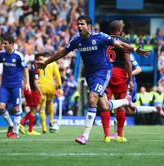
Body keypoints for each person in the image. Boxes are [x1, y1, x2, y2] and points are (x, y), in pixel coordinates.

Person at [37, 15, 150, 145]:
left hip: (103, 72)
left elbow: (119, 44)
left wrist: (135, 49)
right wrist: (46, 62)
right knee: (104, 106)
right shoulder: (76, 40)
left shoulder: (100, 37)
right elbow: (63, 52)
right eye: (78, 24)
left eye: (82, 24)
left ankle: (85, 135)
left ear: (89, 26)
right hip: (90, 75)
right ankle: (126, 100)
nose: (79, 26)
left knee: (92, 98)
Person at [35, 52, 62, 133]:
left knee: (42, 108)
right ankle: (51, 121)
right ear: (49, 57)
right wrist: (60, 86)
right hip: (51, 86)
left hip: (41, 86)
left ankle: (44, 128)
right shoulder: (53, 63)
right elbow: (57, 75)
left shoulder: (39, 63)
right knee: (50, 103)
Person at [19, 61, 42, 136]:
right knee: (35, 109)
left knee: (33, 109)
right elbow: (35, 83)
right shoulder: (36, 70)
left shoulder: (28, 70)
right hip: (32, 91)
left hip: (27, 90)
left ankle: (25, 125)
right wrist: (41, 94)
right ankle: (27, 127)